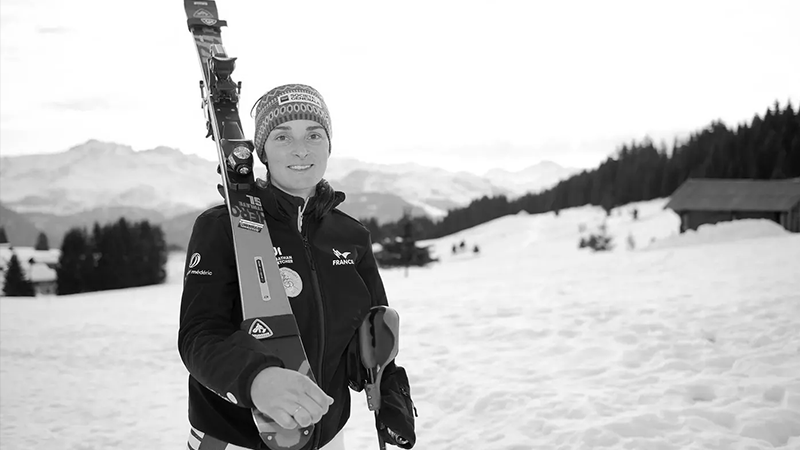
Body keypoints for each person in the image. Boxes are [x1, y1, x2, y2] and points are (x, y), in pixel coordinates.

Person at [178, 84, 416, 450]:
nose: (301, 148)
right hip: (234, 436)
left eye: (314, 135)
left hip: (325, 434)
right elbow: (198, 337)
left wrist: (388, 384)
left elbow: (370, 328)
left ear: (328, 145)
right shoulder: (223, 227)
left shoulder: (351, 235)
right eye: (283, 136)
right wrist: (256, 379)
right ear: (263, 152)